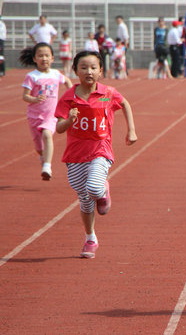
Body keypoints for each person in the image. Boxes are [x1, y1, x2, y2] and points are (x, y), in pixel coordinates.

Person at [55, 51, 137, 259]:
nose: (88, 71)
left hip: (101, 150)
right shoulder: (68, 97)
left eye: (93, 67)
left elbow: (125, 103)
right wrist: (69, 120)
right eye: (83, 67)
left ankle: (103, 190)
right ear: (75, 71)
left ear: (101, 71)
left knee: (93, 187)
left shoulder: (108, 93)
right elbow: (59, 128)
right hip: (75, 156)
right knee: (84, 199)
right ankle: (90, 237)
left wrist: (131, 130)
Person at [20, 42, 73, 181]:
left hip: (51, 115)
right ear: (34, 59)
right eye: (40, 56)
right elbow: (25, 96)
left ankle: (47, 166)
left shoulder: (56, 74)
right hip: (34, 116)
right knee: (38, 147)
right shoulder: (32, 76)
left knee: (47, 135)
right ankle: (42, 157)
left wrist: (70, 95)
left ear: (52, 58)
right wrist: (34, 99)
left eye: (47, 55)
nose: (44, 58)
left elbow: (67, 81)